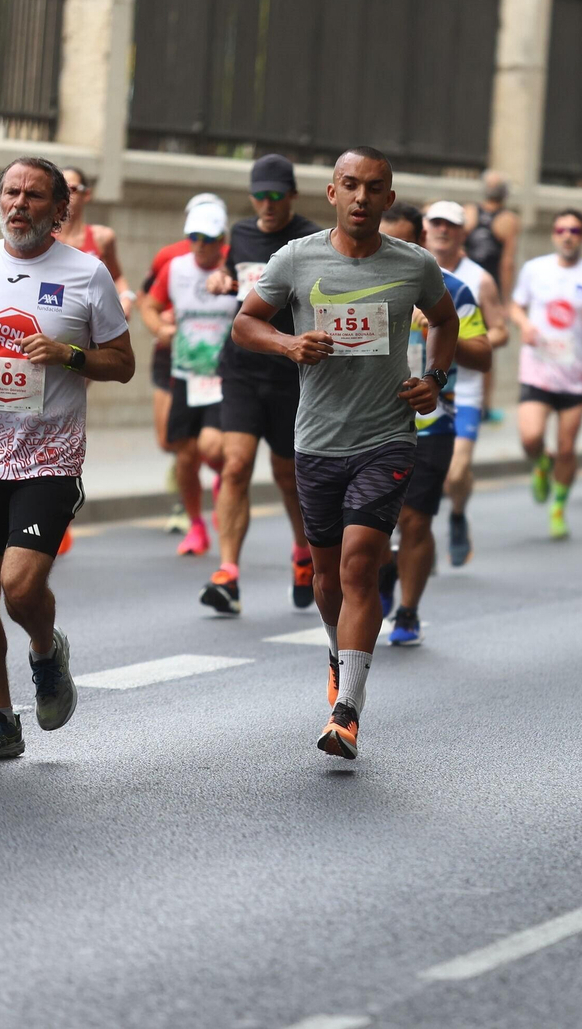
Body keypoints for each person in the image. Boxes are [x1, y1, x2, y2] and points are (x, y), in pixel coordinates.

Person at [232, 147, 458, 760]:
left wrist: (434, 381)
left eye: (375, 187)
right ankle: (340, 653)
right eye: (351, 185)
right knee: (328, 578)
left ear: (389, 198)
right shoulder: (296, 259)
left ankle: (346, 712)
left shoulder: (414, 264)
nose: (362, 197)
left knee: (360, 564)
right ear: (331, 194)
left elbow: (445, 320)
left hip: (386, 437)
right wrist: (287, 343)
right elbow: (245, 323)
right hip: (318, 440)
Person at [0, 157, 135, 760]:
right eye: (10, 192)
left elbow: (123, 362)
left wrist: (68, 355)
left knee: (18, 586)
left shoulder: (88, 274)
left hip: (50, 456)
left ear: (60, 209)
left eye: (35, 196)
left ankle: (45, 650)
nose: (19, 204)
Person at [202, 155, 321, 615]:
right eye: (260, 196)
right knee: (235, 466)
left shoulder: (312, 239)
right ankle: (228, 574)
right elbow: (240, 282)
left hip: (292, 372)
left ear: (292, 195)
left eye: (276, 196)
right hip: (243, 368)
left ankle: (302, 551)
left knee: (287, 476)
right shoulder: (243, 233)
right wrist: (223, 278)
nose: (267, 205)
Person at [374, 203, 492, 645]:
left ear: (419, 241)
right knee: (372, 524)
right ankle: (385, 569)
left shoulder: (451, 289)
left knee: (415, 521)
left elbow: (483, 354)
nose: (388, 249)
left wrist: (444, 331)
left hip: (431, 422)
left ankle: (408, 611)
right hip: (370, 421)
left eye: (401, 241)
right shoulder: (357, 281)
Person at [141, 195, 234, 555]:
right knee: (184, 455)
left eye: (208, 239)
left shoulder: (235, 268)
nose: (200, 245)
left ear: (221, 238)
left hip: (224, 376)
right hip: (185, 374)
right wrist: (158, 329)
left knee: (212, 446)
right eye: (194, 237)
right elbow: (150, 304)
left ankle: (226, 485)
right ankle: (196, 525)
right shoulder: (176, 268)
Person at [512, 209, 582, 540]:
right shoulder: (535, 269)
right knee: (530, 437)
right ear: (554, 234)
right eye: (561, 229)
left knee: (567, 448)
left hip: (575, 372)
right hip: (537, 368)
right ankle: (541, 462)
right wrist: (525, 325)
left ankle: (558, 509)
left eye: (575, 230)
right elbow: (515, 305)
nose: (568, 235)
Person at [422, 200, 509, 568]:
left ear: (463, 233)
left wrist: (466, 342)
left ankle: (457, 515)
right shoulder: (410, 270)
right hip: (416, 387)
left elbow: (500, 329)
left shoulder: (479, 278)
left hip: (464, 389)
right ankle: (411, 538)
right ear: (424, 228)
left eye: (451, 224)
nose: (443, 230)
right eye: (436, 223)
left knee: (455, 472)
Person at [464, 171, 522, 424]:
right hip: (489, 289)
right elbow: (507, 262)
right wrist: (505, 300)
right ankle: (484, 406)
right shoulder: (509, 220)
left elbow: (460, 246)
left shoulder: (468, 212)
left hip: (465, 285)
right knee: (486, 346)